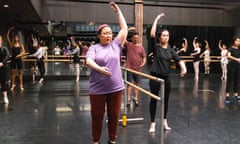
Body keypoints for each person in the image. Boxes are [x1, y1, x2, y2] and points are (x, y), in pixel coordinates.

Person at [86, 2, 128, 144]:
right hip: (97, 89)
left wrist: (118, 12)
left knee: (114, 116)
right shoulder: (94, 47)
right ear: (99, 35)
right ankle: (96, 141)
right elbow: (89, 61)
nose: (109, 35)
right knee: (97, 116)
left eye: (110, 33)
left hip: (116, 88)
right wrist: (99, 69)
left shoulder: (116, 45)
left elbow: (124, 28)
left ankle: (112, 140)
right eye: (105, 33)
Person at [148, 13, 186, 132]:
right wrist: (156, 19)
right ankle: (152, 123)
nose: (165, 37)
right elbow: (152, 34)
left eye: (167, 35)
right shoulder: (156, 47)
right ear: (160, 37)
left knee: (165, 100)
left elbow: (179, 60)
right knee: (154, 100)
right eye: (164, 35)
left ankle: (164, 121)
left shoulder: (171, 50)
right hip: (155, 76)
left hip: (166, 78)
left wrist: (183, 68)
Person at [124, 28, 146, 107]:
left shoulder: (141, 47)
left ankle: (136, 98)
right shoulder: (128, 45)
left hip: (138, 69)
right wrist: (128, 29)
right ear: (132, 38)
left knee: (136, 84)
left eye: (137, 38)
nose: (136, 39)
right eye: (134, 38)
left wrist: (143, 63)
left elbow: (144, 57)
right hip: (129, 67)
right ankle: (128, 99)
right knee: (129, 84)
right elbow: (123, 36)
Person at [7, 27, 26, 91]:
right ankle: (13, 84)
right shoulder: (12, 44)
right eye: (15, 37)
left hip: (19, 59)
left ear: (18, 38)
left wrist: (20, 55)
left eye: (17, 37)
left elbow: (24, 51)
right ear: (14, 38)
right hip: (13, 59)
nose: (16, 38)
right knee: (13, 72)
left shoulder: (21, 44)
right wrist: (9, 30)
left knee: (20, 72)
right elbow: (7, 37)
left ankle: (21, 85)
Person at [225, 36, 240, 104]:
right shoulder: (230, 49)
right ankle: (227, 96)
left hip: (238, 66)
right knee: (230, 80)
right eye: (237, 41)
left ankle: (236, 94)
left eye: (239, 41)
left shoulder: (239, 49)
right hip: (231, 66)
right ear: (234, 41)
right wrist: (236, 59)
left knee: (237, 80)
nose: (238, 42)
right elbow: (228, 55)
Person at [0, 35, 10, 104]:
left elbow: (7, 56)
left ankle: (5, 97)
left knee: (3, 82)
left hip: (3, 67)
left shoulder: (4, 48)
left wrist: (2, 63)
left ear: (1, 41)